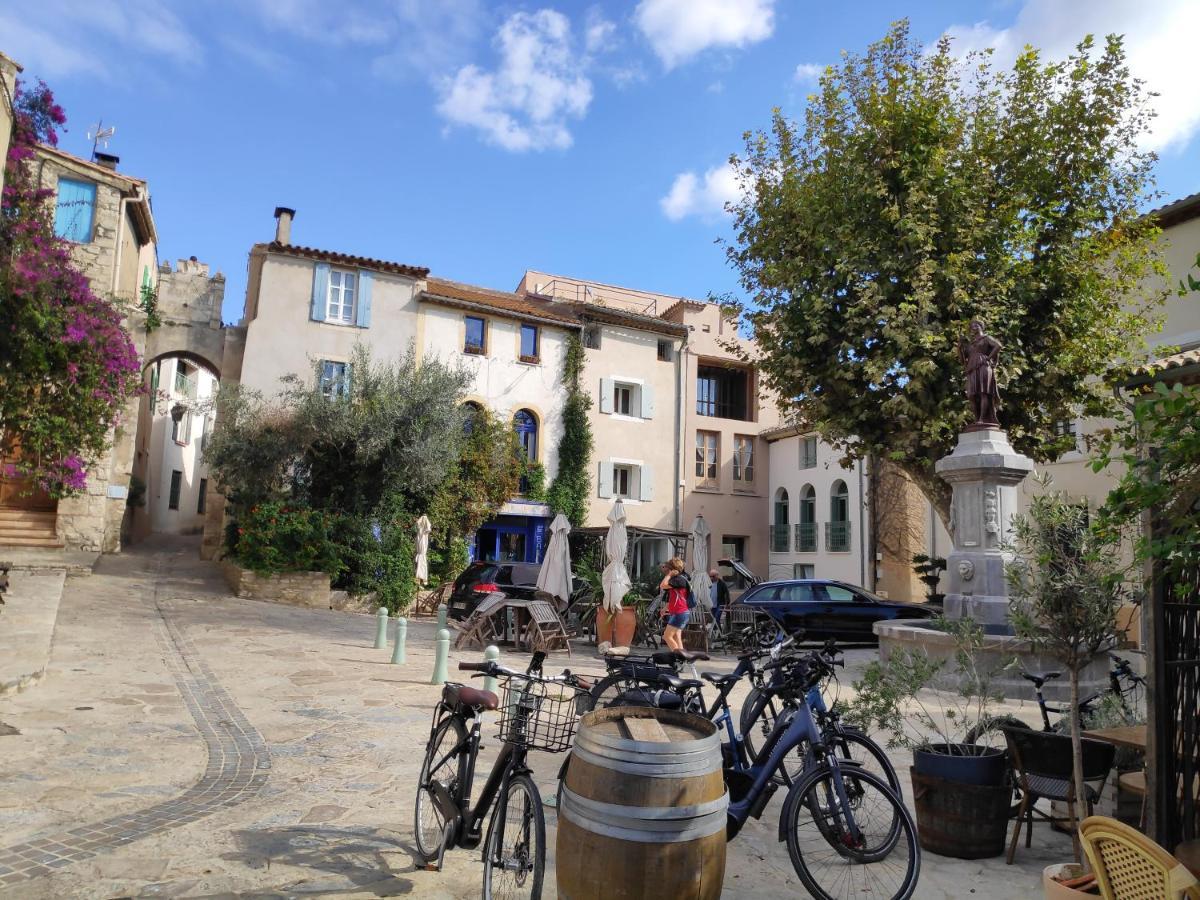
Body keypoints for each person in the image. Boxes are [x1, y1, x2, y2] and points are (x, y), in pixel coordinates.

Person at [658, 558, 691, 652]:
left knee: (667, 636)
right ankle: (682, 659)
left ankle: (680, 656)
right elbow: (673, 596)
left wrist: (669, 575)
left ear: (672, 569)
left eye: (668, 567)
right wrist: (665, 608)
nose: (666, 568)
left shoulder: (679, 580)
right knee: (676, 637)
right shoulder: (678, 580)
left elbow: (663, 585)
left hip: (679, 613)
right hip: (680, 613)